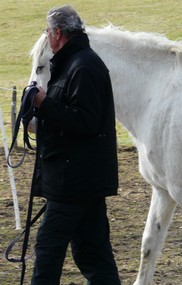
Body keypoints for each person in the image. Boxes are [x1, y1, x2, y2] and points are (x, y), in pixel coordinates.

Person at [30, 5, 121, 285]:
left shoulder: (83, 66)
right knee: (92, 253)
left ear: (57, 33)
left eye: (47, 32)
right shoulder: (73, 63)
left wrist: (43, 104)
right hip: (81, 178)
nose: (47, 36)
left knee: (48, 249)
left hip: (73, 182)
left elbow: (85, 122)